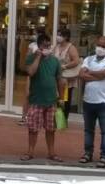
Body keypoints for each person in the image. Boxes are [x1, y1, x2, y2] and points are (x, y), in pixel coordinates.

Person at [21, 33, 65, 162]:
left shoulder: (54, 61)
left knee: (51, 129)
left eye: (49, 45)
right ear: (39, 46)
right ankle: (30, 152)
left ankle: (52, 153)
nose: (47, 47)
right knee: (33, 128)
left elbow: (59, 80)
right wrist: (38, 56)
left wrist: (61, 98)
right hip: (36, 100)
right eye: (44, 45)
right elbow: (31, 72)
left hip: (51, 100)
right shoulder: (31, 58)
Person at [79, 36, 105, 167]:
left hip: (104, 102)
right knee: (88, 130)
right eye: (99, 45)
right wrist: (98, 75)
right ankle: (87, 153)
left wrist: (91, 73)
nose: (100, 48)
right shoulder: (88, 59)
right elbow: (82, 75)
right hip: (88, 101)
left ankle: (104, 156)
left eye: (104, 46)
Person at [53, 28, 81, 124]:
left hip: (67, 77)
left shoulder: (71, 47)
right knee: (57, 97)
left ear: (66, 37)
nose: (58, 37)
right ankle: (57, 119)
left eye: (60, 35)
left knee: (65, 98)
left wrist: (65, 66)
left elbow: (76, 61)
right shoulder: (56, 47)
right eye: (58, 34)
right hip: (57, 77)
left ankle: (63, 120)